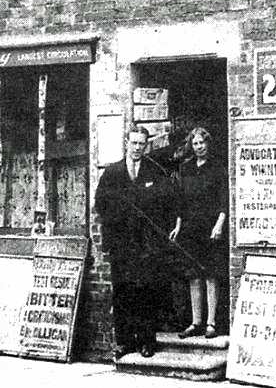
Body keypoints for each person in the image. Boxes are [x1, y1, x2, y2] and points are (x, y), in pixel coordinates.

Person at [95, 124, 181, 359]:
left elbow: (167, 202)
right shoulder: (112, 172)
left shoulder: (154, 171)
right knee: (123, 294)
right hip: (122, 245)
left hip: (146, 246)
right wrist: (120, 214)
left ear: (146, 145)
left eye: (141, 144)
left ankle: (146, 341)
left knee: (146, 293)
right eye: (133, 143)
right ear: (127, 143)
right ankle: (124, 342)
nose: (137, 148)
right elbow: (100, 205)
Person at [170, 127, 227, 340]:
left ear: (208, 143)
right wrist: (178, 225)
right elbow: (181, 201)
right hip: (191, 228)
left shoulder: (217, 168)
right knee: (193, 275)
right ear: (191, 146)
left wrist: (219, 224)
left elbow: (223, 200)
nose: (199, 147)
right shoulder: (186, 168)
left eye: (202, 143)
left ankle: (211, 322)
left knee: (211, 275)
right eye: (195, 144)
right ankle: (196, 322)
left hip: (211, 227)